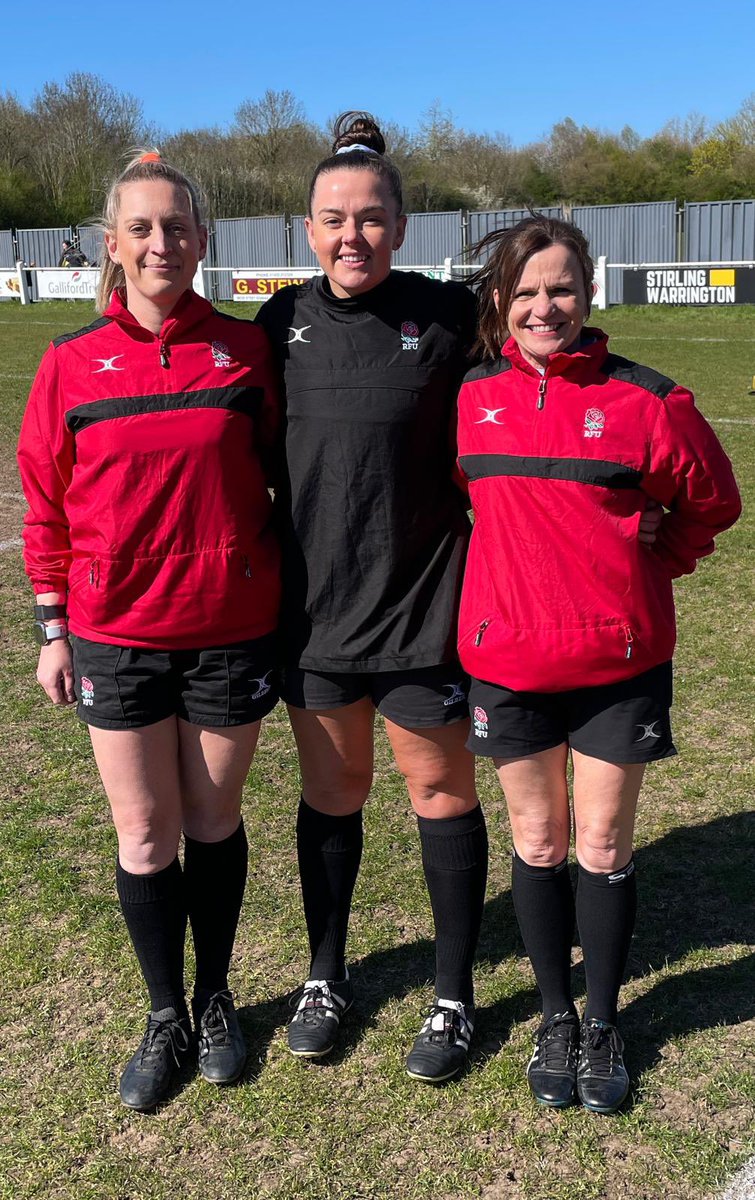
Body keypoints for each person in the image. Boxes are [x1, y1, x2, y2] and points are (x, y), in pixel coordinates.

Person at [456, 215, 741, 1113]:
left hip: (616, 662)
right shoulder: (463, 398)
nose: (546, 307)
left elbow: (712, 503)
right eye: (526, 291)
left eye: (562, 289)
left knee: (602, 844)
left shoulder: (648, 402)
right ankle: (553, 1017)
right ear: (499, 301)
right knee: (537, 844)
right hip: (507, 661)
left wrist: (655, 555)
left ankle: (605, 1020)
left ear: (588, 292)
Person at [17, 151, 281, 1111]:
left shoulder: (248, 354)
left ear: (202, 240)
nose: (160, 243)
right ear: (113, 245)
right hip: (114, 636)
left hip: (229, 628)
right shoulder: (67, 364)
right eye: (141, 228)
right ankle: (165, 1011)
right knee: (143, 832)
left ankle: (216, 998)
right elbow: (43, 508)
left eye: (176, 227)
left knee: (211, 821)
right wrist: (54, 626)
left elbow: (297, 481)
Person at [255, 112, 488, 1084]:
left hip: (420, 610)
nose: (350, 235)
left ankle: (450, 996)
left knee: (439, 793)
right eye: (331, 219)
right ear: (306, 230)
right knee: (331, 794)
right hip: (313, 620)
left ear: (398, 222)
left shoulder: (443, 319)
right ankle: (324, 976)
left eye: (369, 217)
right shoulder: (276, 326)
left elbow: (516, 413)